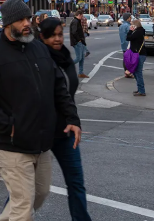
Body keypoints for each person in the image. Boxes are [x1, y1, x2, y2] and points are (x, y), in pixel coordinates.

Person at [0, 0, 81, 221]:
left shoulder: (39, 48)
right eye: (21, 19)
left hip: (40, 141)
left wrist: (72, 117)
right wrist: (7, 124)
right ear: (8, 23)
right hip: (10, 143)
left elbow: (58, 85)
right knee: (23, 206)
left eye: (28, 18)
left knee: (39, 194)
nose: (27, 23)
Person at [38, 17, 91, 221]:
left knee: (76, 182)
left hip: (65, 130)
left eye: (60, 34)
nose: (57, 39)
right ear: (42, 37)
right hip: (41, 131)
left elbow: (68, 94)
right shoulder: (38, 59)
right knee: (28, 188)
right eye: (52, 36)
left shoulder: (65, 57)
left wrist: (73, 119)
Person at [128, 19, 146, 96]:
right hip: (139, 53)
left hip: (139, 54)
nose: (130, 26)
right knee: (136, 72)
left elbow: (128, 38)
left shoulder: (137, 32)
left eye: (132, 25)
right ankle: (140, 89)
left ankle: (141, 90)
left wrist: (130, 31)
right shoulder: (140, 31)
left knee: (138, 72)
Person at [70, 11, 89, 79]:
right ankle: (68, 65)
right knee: (78, 58)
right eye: (81, 15)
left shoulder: (77, 21)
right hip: (77, 42)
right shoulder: (75, 22)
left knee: (82, 58)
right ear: (79, 15)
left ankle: (81, 73)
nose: (82, 17)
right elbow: (74, 32)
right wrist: (79, 39)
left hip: (80, 42)